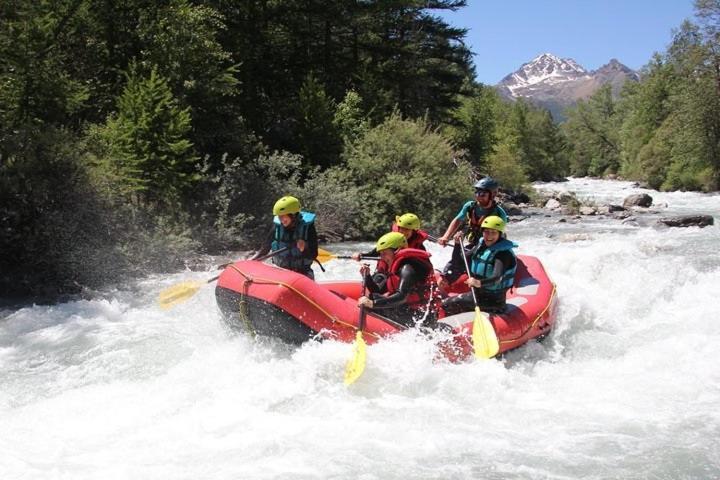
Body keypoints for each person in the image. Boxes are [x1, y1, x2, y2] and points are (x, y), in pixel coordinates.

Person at [436, 177, 509, 293]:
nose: (478, 196)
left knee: (463, 258)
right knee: (454, 265)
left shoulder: (499, 213)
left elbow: (499, 234)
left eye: (482, 193)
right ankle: (440, 293)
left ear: (492, 195)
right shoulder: (470, 206)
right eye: (477, 192)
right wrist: (446, 237)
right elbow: (457, 220)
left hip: (489, 245)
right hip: (474, 242)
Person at [357, 231, 439, 328]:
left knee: (374, 302)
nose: (382, 257)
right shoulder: (395, 267)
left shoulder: (408, 268)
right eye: (381, 254)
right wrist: (366, 276)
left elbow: (401, 296)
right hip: (411, 311)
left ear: (397, 250)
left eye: (385, 253)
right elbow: (377, 291)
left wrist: (373, 304)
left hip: (422, 318)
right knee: (374, 296)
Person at [441, 216, 517, 315]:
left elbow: (497, 278)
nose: (489, 236)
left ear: (500, 234)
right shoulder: (481, 246)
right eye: (486, 232)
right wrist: (457, 244)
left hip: (494, 302)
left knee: (445, 305)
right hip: (477, 295)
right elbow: (458, 261)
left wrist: (478, 282)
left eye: (493, 232)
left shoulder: (503, 254)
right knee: (444, 304)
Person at [350, 212, 430, 288]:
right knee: (376, 281)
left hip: (404, 274)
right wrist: (362, 255)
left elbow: (425, 266)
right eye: (401, 228)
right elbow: (379, 251)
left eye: (407, 230)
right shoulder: (393, 239)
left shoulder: (418, 246)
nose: (403, 232)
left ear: (414, 231)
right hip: (386, 272)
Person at [250, 195, 319, 279]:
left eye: (283, 216)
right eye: (279, 216)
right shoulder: (277, 226)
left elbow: (314, 254)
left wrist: (304, 247)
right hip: (280, 270)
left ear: (293, 215)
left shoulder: (308, 228)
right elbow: (265, 248)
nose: (281, 219)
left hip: (302, 272)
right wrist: (252, 260)